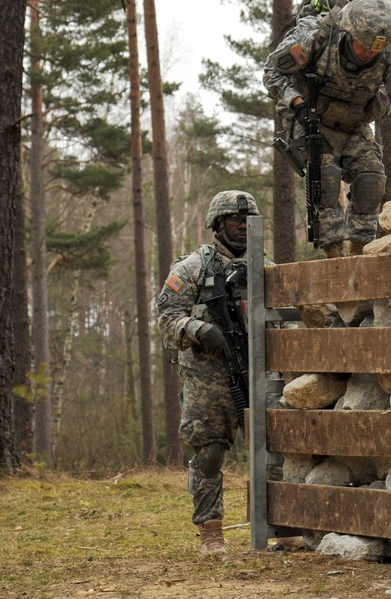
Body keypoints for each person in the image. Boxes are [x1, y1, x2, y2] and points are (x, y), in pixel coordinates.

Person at [263, 0, 391, 258]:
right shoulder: (316, 36)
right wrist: (296, 102)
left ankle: (360, 253)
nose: (368, 54)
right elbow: (272, 71)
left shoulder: (389, 57)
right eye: (363, 46)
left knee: (372, 179)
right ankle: (334, 258)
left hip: (353, 122)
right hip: (311, 119)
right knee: (325, 178)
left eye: (376, 49)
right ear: (348, 33)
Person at [156, 190, 271, 556]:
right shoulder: (193, 268)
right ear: (218, 224)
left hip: (259, 370)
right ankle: (211, 532)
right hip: (208, 377)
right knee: (209, 454)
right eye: (235, 220)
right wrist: (198, 329)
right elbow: (166, 317)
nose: (242, 226)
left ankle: (281, 526)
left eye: (247, 220)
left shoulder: (265, 267)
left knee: (277, 449)